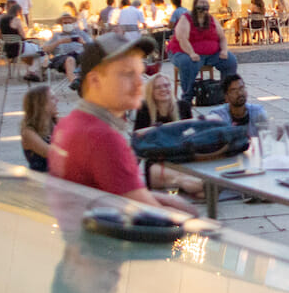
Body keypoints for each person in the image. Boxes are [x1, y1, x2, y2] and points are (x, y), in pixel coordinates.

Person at [48, 34, 193, 213]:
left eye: (139, 72)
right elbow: (154, 216)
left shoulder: (70, 122)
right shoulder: (102, 137)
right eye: (126, 74)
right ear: (95, 81)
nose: (139, 83)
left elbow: (121, 193)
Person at [169, 0, 238, 102]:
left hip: (211, 54)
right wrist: (191, 53)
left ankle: (227, 93)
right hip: (184, 51)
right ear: (195, 4)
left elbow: (222, 37)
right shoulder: (186, 18)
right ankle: (187, 97)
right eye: (201, 2)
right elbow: (182, 38)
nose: (204, 5)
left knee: (230, 60)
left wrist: (224, 50)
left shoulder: (211, 19)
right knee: (188, 62)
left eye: (206, 3)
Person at [0, 2, 48, 82]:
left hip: (8, 48)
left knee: (34, 51)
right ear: (18, 12)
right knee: (41, 51)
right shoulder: (16, 20)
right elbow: (24, 36)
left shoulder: (2, 20)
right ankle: (32, 71)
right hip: (19, 48)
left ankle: (32, 71)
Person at [21, 84, 57, 172]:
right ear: (41, 105)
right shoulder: (28, 132)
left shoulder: (55, 122)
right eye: (52, 98)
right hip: (41, 181)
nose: (57, 100)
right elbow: (51, 153)